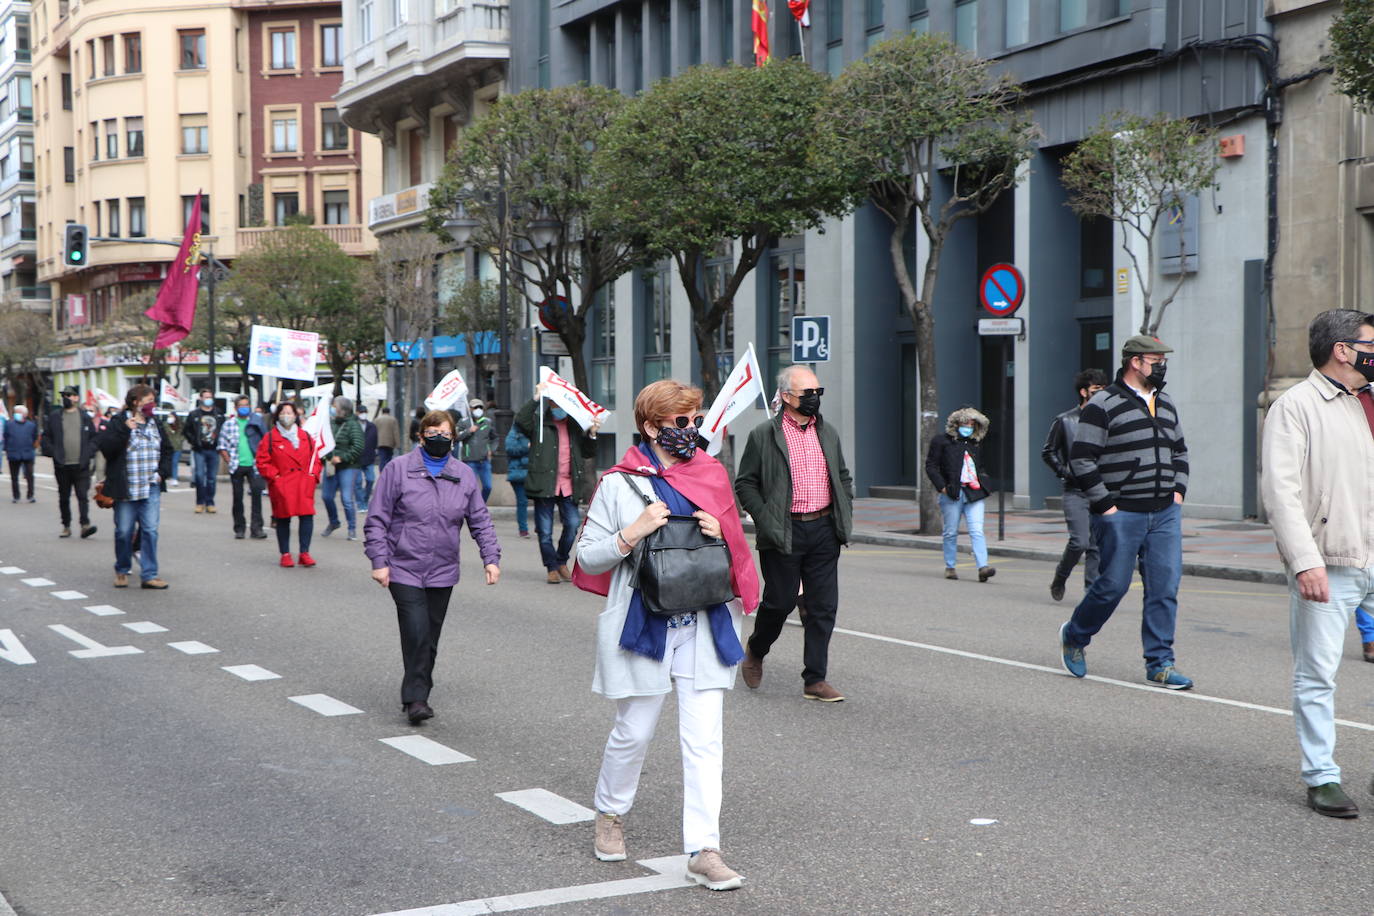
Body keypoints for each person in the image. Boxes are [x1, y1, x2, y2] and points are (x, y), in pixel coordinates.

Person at [573, 379, 759, 891]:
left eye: (695, 420)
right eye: (681, 422)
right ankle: (610, 814)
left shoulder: (712, 474)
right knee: (633, 730)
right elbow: (587, 557)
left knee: (704, 741)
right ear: (651, 426)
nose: (691, 430)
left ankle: (705, 848)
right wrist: (632, 531)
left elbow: (737, 550)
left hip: (704, 619)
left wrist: (722, 534)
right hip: (646, 620)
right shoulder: (619, 483)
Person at [1262, 309, 1374, 818]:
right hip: (1332, 561)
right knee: (1317, 675)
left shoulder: (1369, 401)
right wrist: (1305, 561)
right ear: (1343, 349)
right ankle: (1322, 776)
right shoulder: (1296, 406)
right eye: (1372, 343)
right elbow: (1280, 493)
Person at [1058, 334, 1191, 689]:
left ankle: (1160, 662)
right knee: (1111, 587)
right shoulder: (1103, 403)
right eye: (1158, 361)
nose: (1163, 367)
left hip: (1165, 512)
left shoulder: (1166, 404)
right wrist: (1107, 506)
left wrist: (1178, 492)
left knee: (1164, 588)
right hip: (1122, 514)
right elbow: (1081, 458)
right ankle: (1075, 635)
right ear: (1136, 362)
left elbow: (1180, 452)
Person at [364, 410, 501, 725]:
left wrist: (490, 558)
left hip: (442, 569)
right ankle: (416, 699)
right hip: (403, 566)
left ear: (454, 437)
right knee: (416, 630)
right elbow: (377, 519)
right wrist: (379, 561)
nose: (439, 436)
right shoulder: (397, 470)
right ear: (420, 435)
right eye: (433, 431)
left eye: (445, 432)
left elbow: (480, 520)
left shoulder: (464, 474)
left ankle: (417, 689)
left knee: (430, 636)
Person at [735, 365, 854, 703]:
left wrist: (846, 509)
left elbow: (842, 476)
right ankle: (756, 650)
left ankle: (815, 679)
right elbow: (745, 483)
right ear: (787, 397)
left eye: (819, 392)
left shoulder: (827, 432)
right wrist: (765, 517)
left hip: (824, 529)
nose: (815, 399)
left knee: (822, 607)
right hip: (783, 530)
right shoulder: (763, 435)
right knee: (780, 602)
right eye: (808, 393)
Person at [515, 388, 599, 585]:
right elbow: (521, 420)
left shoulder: (575, 426)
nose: (558, 408)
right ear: (549, 404)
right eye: (554, 403)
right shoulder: (539, 423)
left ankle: (561, 561)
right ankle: (551, 567)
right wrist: (535, 398)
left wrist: (592, 435)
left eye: (562, 404)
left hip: (569, 484)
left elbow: (587, 452)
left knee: (572, 525)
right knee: (544, 531)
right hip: (545, 485)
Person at [1042, 369, 1109, 600]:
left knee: (1096, 546)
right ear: (1083, 392)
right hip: (1075, 491)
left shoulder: (1108, 420)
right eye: (1095, 391)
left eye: (1103, 390)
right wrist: (1065, 472)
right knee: (1080, 541)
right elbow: (1048, 452)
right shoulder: (1065, 420)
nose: (1101, 395)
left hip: (1101, 490)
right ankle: (1060, 577)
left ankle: (1090, 593)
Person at [97, 384, 172, 589]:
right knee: (123, 530)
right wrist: (124, 430)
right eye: (147, 402)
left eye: (152, 402)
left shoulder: (155, 423)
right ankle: (122, 569)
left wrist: (161, 474)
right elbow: (107, 450)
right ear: (135, 403)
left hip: (150, 486)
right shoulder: (119, 422)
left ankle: (149, 574)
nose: (151, 406)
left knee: (150, 530)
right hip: (126, 487)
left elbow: (167, 450)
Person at [925, 406, 996, 583]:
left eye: (971, 424)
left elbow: (979, 467)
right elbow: (931, 466)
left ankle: (983, 567)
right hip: (952, 493)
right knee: (950, 532)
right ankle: (950, 566)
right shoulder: (941, 441)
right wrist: (942, 488)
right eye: (965, 423)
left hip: (974, 492)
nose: (968, 426)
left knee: (977, 530)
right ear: (956, 424)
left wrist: (984, 481)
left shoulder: (974, 444)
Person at [256, 401, 319, 568]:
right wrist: (275, 478)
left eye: (290, 412)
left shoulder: (305, 437)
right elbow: (262, 462)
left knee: (307, 516)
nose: (287, 416)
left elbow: (315, 459)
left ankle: (304, 552)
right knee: (283, 518)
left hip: (304, 483)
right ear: (277, 415)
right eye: (283, 412)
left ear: (295, 416)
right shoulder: (270, 438)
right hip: (282, 485)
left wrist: (313, 476)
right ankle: (285, 553)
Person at [43, 385, 98, 538]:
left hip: (81, 464)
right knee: (64, 496)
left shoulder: (84, 416)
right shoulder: (55, 416)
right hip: (62, 465)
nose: (66, 398)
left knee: (82, 495)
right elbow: (46, 437)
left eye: (69, 395)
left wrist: (88, 453)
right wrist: (53, 453)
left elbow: (94, 438)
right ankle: (66, 525)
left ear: (76, 398)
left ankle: (85, 524)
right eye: (64, 395)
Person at [217, 395, 268, 540]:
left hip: (255, 465)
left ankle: (257, 528)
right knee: (237, 498)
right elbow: (222, 445)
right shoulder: (229, 424)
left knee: (257, 497)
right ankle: (239, 528)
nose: (245, 408)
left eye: (247, 405)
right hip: (237, 465)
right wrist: (229, 460)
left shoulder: (256, 422)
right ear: (236, 408)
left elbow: (265, 441)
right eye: (241, 406)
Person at [322, 395, 364, 540]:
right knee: (326, 497)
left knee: (346, 499)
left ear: (342, 409)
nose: (332, 409)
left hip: (348, 466)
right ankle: (334, 522)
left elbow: (358, 446)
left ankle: (351, 528)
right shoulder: (330, 423)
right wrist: (327, 457)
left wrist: (342, 458)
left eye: (335, 406)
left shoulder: (353, 425)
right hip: (331, 465)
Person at [185, 389, 224, 514]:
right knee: (199, 476)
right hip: (199, 450)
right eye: (206, 397)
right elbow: (187, 431)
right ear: (200, 398)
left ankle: (210, 502)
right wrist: (194, 441)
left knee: (212, 478)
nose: (208, 399)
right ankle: (200, 502)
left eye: (210, 396)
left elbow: (222, 430)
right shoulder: (194, 414)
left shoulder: (218, 413)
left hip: (213, 450)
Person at [3, 404, 38, 503]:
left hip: (27, 453)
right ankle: (16, 495)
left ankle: (30, 495)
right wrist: (7, 449)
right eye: (15, 413)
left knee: (30, 475)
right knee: (14, 477)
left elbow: (34, 437)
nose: (16, 414)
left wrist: (32, 447)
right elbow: (6, 436)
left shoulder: (31, 425)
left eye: (18, 413)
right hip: (13, 453)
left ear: (24, 414)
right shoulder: (9, 424)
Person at [505, 421, 531, 538]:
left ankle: (540, 526)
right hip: (518, 472)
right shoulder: (514, 432)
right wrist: (527, 447)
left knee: (541, 501)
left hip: (533, 472)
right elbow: (510, 449)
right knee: (522, 501)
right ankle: (523, 529)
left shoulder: (536, 431)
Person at [355, 404, 378, 511]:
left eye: (364, 412)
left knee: (370, 479)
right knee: (358, 482)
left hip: (369, 458)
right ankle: (360, 504)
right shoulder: (354, 426)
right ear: (357, 413)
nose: (363, 414)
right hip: (357, 459)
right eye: (361, 412)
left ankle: (365, 500)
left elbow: (375, 441)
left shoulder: (372, 426)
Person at [374, 406, 400, 471]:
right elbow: (396, 432)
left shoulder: (377, 420)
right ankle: (388, 471)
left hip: (380, 442)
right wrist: (397, 444)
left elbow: (374, 432)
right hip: (390, 443)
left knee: (382, 458)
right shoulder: (393, 419)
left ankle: (382, 472)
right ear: (389, 412)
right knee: (388, 458)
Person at [165, 413, 186, 487]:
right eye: (168, 417)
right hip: (168, 447)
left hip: (177, 447)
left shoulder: (180, 426)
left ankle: (174, 478)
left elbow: (183, 434)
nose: (169, 418)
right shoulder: (165, 425)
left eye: (171, 416)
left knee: (175, 462)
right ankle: (167, 476)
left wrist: (180, 440)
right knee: (168, 462)